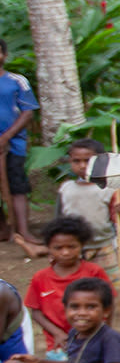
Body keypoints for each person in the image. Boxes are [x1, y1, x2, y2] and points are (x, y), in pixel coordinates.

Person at [23, 217, 112, 347]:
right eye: (58, 248)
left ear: (82, 245)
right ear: (48, 248)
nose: (65, 252)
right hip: (58, 343)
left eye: (72, 247)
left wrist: (105, 332)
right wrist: (57, 333)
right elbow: (36, 312)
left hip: (92, 340)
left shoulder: (94, 272)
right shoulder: (40, 278)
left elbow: (108, 303)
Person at [0, 39, 39, 246]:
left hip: (14, 144)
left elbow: (27, 112)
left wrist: (6, 137)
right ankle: (4, 228)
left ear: (4, 55)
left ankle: (23, 231)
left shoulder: (17, 81)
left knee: (17, 186)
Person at [54, 137, 116, 250]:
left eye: (87, 161)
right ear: (70, 161)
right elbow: (59, 218)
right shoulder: (66, 188)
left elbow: (116, 219)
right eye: (76, 161)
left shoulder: (109, 189)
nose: (82, 166)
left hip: (105, 245)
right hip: (74, 247)